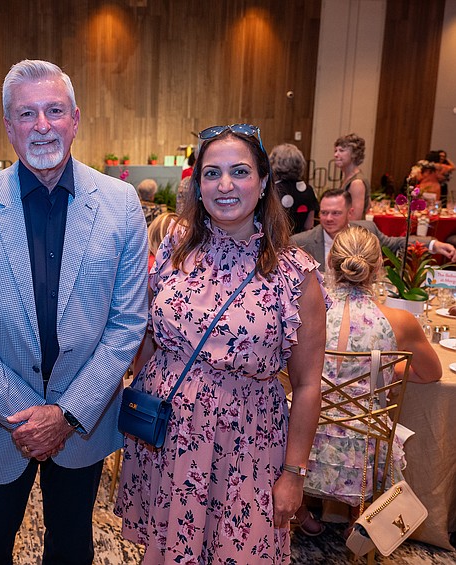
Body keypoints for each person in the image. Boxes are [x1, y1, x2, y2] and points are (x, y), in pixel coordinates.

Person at [0, 59, 148, 564]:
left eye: (54, 111)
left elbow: (127, 323)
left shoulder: (120, 205)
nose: (42, 125)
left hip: (84, 420)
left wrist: (67, 414)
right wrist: (25, 416)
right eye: (26, 114)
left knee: (72, 547)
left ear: (75, 118)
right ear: (8, 126)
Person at [116, 123, 328, 563]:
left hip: (247, 444)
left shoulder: (294, 272)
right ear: (198, 184)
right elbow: (151, 340)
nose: (224, 185)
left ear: (264, 180)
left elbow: (308, 384)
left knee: (239, 550)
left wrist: (293, 474)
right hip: (167, 440)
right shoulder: (175, 250)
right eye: (212, 173)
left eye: (239, 171)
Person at [293, 226, 441, 537]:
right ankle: (358, 523)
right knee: (367, 427)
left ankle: (301, 512)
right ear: (377, 268)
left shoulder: (304, 311)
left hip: (304, 437)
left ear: (331, 261)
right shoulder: (399, 321)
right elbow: (431, 373)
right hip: (364, 447)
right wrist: (384, 372)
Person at [291, 189, 456, 272]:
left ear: (350, 213)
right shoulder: (301, 242)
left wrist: (434, 245)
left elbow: (396, 244)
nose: (328, 218)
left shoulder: (367, 231)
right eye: (324, 212)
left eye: (336, 213)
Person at [269, 143, 318, 233]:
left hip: (275, 242)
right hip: (300, 242)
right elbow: (309, 225)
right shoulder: (308, 190)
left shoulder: (272, 190)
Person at [333, 133, 370, 220]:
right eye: (335, 151)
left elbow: (355, 218)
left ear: (354, 154)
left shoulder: (357, 183)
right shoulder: (348, 178)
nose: (336, 155)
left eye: (341, 151)